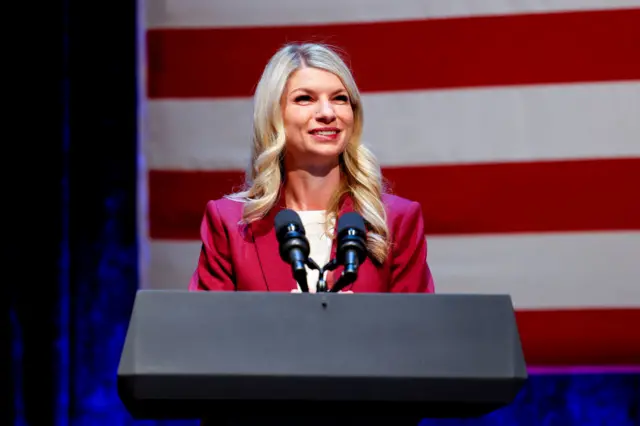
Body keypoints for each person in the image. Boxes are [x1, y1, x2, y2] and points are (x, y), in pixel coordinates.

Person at [189, 42, 435, 294]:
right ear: (274, 116)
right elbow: (206, 328)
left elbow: (419, 328)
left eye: (340, 98)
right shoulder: (230, 223)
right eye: (305, 98)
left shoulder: (395, 220)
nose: (327, 112)